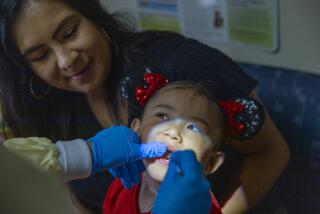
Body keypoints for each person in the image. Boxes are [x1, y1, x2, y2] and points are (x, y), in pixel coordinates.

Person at [0, 0, 289, 213]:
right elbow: (78, 199)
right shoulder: (51, 108)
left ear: (93, 17)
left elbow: (271, 152)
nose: (65, 60)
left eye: (69, 32)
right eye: (40, 56)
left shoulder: (182, 63)